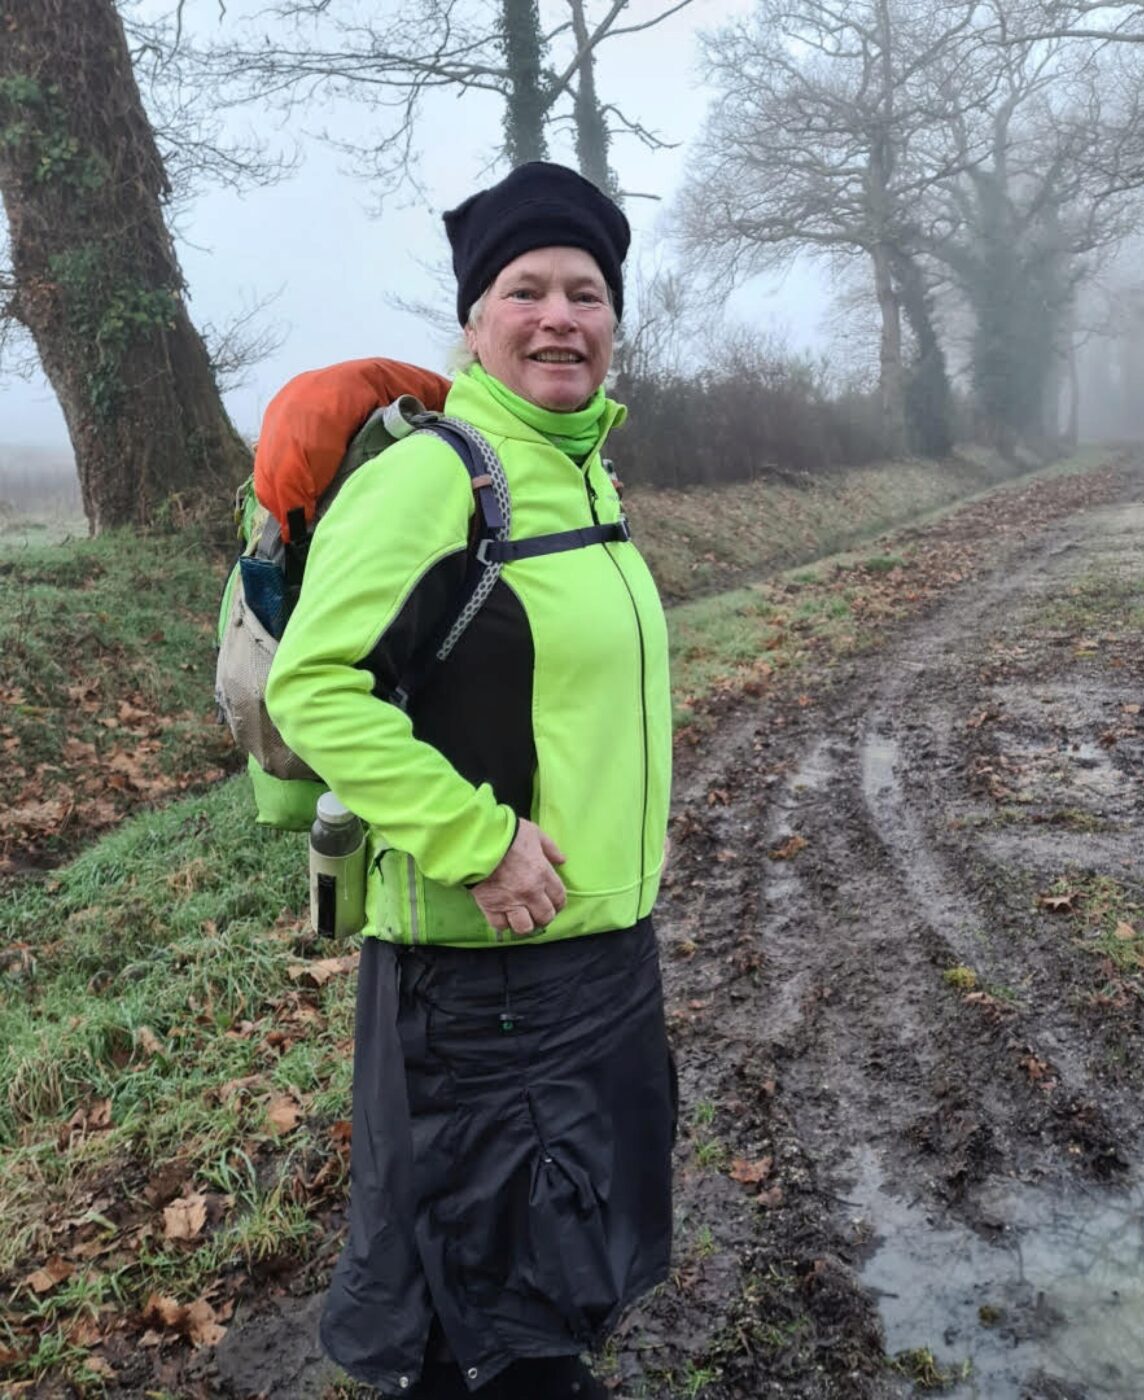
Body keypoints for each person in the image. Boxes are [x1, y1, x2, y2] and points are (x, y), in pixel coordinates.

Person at [264, 162, 674, 1400]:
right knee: (493, 1297)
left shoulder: (582, 473)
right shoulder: (439, 475)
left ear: (614, 320)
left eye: (587, 292)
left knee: (532, 1278)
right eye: (526, 289)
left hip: (591, 951)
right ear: (474, 319)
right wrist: (478, 839)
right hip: (481, 977)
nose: (560, 316)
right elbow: (313, 684)